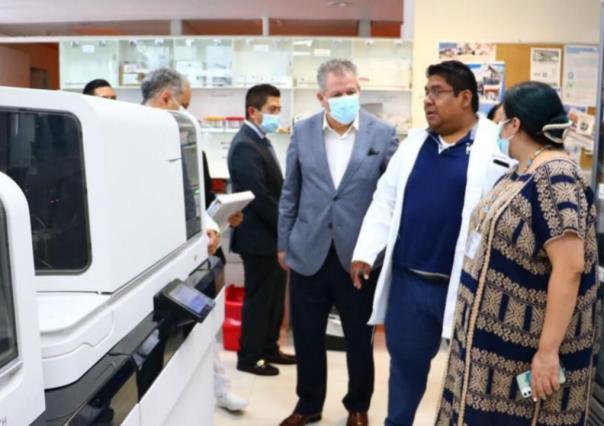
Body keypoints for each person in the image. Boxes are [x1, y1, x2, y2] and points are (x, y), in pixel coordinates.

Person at [351, 60, 513, 426]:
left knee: (472, 372)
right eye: (427, 92)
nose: (428, 100)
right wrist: (365, 251)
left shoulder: (494, 145)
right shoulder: (414, 143)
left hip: (466, 285)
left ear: (465, 98)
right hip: (410, 283)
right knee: (405, 368)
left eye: (437, 92)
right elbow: (385, 200)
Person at [435, 81, 600, 426]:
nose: (498, 126)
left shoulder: (557, 177)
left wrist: (547, 352)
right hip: (487, 352)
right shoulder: (522, 170)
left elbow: (569, 268)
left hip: (523, 354)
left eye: (502, 119)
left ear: (516, 125)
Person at [278, 59, 399, 426]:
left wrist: (379, 250)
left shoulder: (382, 134)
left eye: (352, 92)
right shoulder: (303, 132)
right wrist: (283, 243)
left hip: (358, 257)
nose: (347, 98)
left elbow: (390, 196)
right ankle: (308, 405)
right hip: (308, 250)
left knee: (359, 339)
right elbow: (291, 191)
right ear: (321, 98)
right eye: (338, 94)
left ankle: (358, 406)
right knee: (308, 335)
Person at [141, 68, 247, 412]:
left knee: (202, 332)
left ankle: (215, 391)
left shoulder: (183, 137)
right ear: (166, 98)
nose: (188, 113)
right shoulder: (134, 136)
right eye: (184, 104)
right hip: (150, 258)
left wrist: (211, 220)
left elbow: (192, 196)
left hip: (188, 254)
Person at [227, 84, 295, 377]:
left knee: (275, 297)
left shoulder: (261, 140)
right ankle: (249, 356)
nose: (276, 116)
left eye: (279, 110)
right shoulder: (245, 144)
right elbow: (259, 197)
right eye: (272, 110)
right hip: (258, 238)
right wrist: (285, 226)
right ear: (252, 111)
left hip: (271, 237)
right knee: (258, 300)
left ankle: (269, 349)